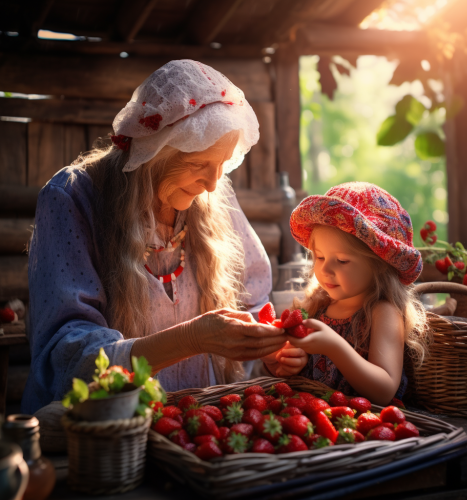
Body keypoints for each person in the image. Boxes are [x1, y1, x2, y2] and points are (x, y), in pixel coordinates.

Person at [22, 60, 286, 415]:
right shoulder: (72, 198)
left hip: (196, 427)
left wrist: (270, 353)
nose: (211, 183)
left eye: (222, 164)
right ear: (154, 154)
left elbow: (253, 301)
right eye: (198, 165)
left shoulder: (209, 192)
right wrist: (190, 339)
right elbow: (66, 356)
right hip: (109, 434)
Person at [262, 182, 431, 405]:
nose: (324, 269)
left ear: (379, 264)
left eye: (341, 260)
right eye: (320, 257)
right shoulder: (316, 306)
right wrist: (283, 360)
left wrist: (334, 346)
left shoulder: (382, 312)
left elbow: (384, 390)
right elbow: (297, 374)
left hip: (364, 425)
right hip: (316, 421)